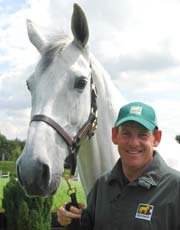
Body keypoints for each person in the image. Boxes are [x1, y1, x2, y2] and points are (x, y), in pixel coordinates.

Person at [57, 101, 180, 229]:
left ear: (156, 138)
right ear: (115, 136)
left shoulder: (175, 188)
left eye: (143, 135)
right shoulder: (102, 186)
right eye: (126, 133)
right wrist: (72, 219)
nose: (133, 143)